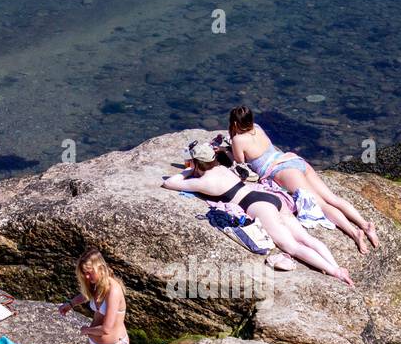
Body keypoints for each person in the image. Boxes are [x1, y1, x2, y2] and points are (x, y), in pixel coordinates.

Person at [163, 140, 353, 285]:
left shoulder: (204, 181)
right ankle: (336, 266)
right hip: (269, 198)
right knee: (306, 238)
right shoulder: (221, 168)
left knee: (291, 247)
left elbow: (169, 183)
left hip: (257, 206)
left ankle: (335, 272)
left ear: (196, 163)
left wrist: (188, 170)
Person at [227, 106, 380, 253]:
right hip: (292, 159)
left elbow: (239, 162)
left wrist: (225, 149)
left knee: (321, 205)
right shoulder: (257, 128)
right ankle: (365, 225)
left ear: (234, 123)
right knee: (332, 198)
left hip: (284, 171)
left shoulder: (238, 139)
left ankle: (354, 233)